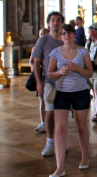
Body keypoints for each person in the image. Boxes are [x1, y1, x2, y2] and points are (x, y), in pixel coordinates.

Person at [47, 23, 93, 176]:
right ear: (61, 36)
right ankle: (60, 167)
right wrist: (60, 71)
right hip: (62, 93)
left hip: (80, 92)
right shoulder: (55, 53)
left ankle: (85, 157)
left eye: (69, 33)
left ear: (74, 35)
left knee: (81, 127)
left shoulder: (83, 52)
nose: (67, 36)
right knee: (60, 129)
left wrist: (78, 69)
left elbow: (89, 73)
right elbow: (49, 74)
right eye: (64, 34)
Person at [31, 11, 64, 156]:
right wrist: (39, 82)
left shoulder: (66, 40)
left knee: (61, 116)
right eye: (53, 20)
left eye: (58, 20)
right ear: (49, 23)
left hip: (65, 84)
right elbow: (36, 62)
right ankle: (50, 142)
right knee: (49, 113)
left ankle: (61, 142)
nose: (55, 23)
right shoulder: (43, 40)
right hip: (49, 83)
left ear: (61, 23)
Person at [33, 27, 50, 133]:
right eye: (41, 34)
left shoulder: (51, 46)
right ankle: (43, 122)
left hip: (50, 77)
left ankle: (50, 123)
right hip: (41, 76)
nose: (43, 35)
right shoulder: (37, 47)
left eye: (45, 34)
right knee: (42, 101)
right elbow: (32, 61)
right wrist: (37, 66)